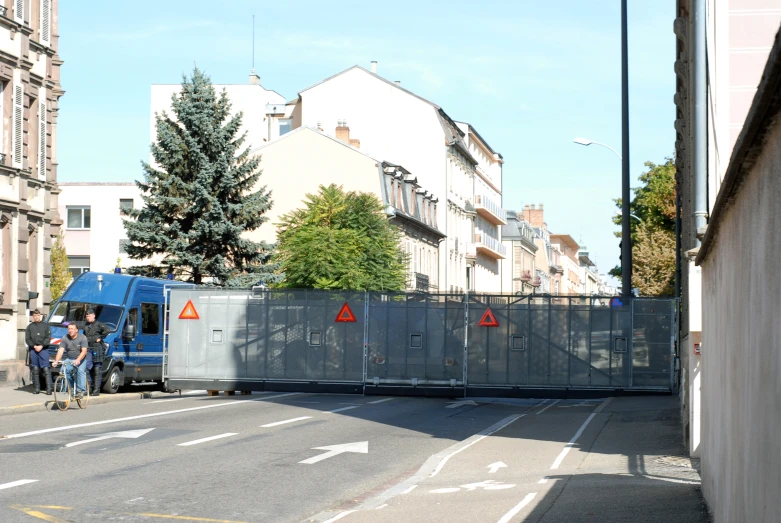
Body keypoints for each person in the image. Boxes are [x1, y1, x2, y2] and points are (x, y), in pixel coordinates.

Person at [53, 323, 89, 398]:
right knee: (63, 370)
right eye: (69, 329)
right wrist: (56, 361)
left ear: (76, 330)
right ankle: (71, 388)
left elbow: (84, 351)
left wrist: (78, 360)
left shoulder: (82, 337)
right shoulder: (65, 338)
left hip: (80, 358)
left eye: (72, 329)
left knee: (80, 371)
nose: (70, 330)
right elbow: (60, 351)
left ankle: (81, 391)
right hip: (70, 358)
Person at [24, 309, 52, 395]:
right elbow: (27, 339)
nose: (36, 317)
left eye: (38, 315)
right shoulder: (29, 327)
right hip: (33, 349)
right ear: (33, 316)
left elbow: (48, 337)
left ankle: (49, 389)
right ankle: (36, 389)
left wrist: (42, 345)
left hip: (43, 349)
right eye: (35, 316)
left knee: (46, 369)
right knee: (35, 369)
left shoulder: (45, 326)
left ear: (40, 316)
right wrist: (34, 346)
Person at [83, 308, 110, 396]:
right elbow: (84, 336)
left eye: (89, 316)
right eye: (87, 316)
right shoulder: (86, 326)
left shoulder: (99, 325)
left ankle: (96, 389)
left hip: (97, 348)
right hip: (89, 348)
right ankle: (89, 387)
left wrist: (101, 338)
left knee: (97, 369)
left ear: (93, 315)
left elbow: (107, 330)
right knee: (87, 368)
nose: (88, 318)